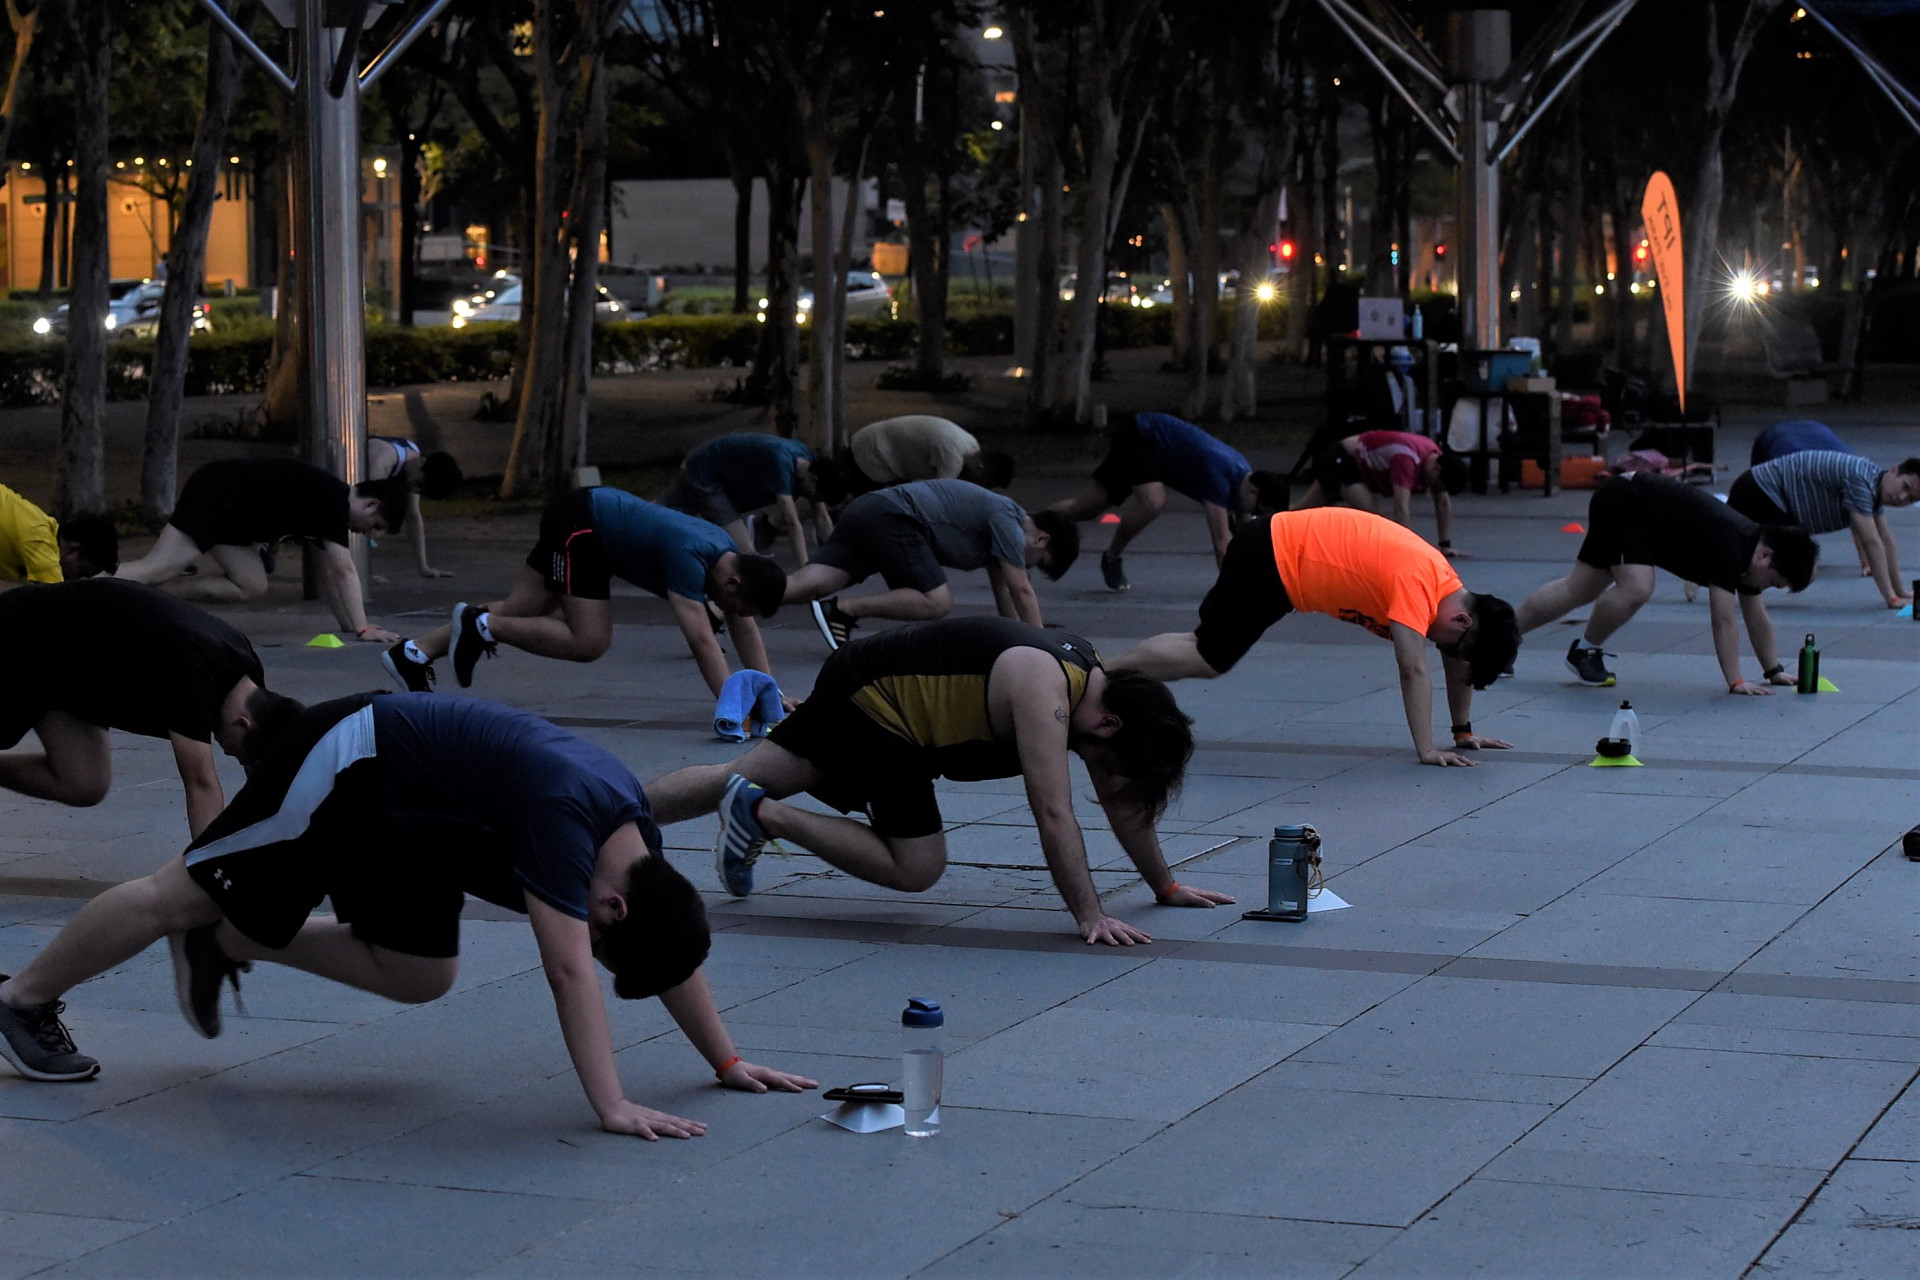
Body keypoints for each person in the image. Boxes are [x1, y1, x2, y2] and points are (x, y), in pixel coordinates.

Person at [0, 693, 816, 1142]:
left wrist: (726, 1060)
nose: (594, 947)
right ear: (611, 906)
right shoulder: (569, 822)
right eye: (607, 944)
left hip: (415, 827)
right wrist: (612, 1105)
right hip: (347, 762)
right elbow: (569, 968)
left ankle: (228, 938)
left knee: (421, 972)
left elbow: (665, 945)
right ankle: (19, 998)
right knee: (178, 890)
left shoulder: (637, 860)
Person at [645, 616, 1231, 945]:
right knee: (917, 866)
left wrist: (1165, 885)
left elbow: (1122, 802)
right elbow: (1053, 812)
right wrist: (1090, 915)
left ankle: (610, 816)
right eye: (1113, 763)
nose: (1107, 778)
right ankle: (761, 812)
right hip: (881, 710)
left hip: (871, 681)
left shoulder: (1097, 689)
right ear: (1109, 725)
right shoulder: (1047, 692)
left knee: (734, 776)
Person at [1109, 507, 1521, 767]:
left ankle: (1100, 670)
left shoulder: (1446, 592)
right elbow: (1412, 668)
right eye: (1450, 644)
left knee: (1206, 651)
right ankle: (1098, 670)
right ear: (1463, 620)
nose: (1441, 647)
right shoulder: (1419, 584)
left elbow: (1456, 657)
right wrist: (1427, 750)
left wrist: (1463, 731)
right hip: (1270, 557)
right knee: (1207, 656)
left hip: (1276, 554)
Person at [383, 487, 786, 701]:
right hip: (583, 529)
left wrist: (770, 692)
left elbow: (745, 628)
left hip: (584, 514)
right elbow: (701, 639)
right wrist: (732, 706)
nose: (733, 615)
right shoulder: (692, 556)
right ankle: (482, 626)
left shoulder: (727, 557)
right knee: (590, 641)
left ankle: (411, 654)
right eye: (736, 607)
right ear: (733, 584)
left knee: (523, 609)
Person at [0, 577, 295, 837]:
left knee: (84, 782)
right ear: (242, 722)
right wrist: (212, 875)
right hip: (20, 636)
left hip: (70, 669)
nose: (226, 751)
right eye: (233, 752)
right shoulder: (192, 679)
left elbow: (259, 777)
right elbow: (201, 784)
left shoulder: (247, 671)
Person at [1515, 472, 1819, 693]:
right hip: (1626, 501)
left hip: (1630, 504)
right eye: (1773, 583)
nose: (1765, 589)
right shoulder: (1733, 546)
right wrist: (1736, 681)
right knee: (1636, 587)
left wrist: (1773, 670)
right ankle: (1585, 652)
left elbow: (1756, 616)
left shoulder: (1753, 555)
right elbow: (1723, 618)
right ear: (1766, 557)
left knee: (1579, 588)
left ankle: (1503, 637)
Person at [115, 457, 407, 644]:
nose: (365, 532)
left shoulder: (327, 501)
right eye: (374, 525)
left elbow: (329, 573)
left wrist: (349, 625)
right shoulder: (334, 501)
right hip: (216, 495)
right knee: (158, 567)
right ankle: (93, 583)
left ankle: (154, 599)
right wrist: (363, 629)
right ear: (371, 504)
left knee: (251, 583)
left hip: (232, 517)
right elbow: (344, 571)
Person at [780, 479, 1078, 649]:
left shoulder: (1003, 532)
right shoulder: (1009, 522)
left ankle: (754, 593)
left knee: (808, 585)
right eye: (1039, 563)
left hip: (871, 509)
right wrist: (1045, 648)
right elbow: (1021, 591)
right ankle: (843, 611)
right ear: (1042, 539)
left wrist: (1019, 642)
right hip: (894, 517)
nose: (1028, 567)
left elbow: (1006, 595)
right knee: (936, 601)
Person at [1046, 412, 1288, 590]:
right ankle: (1112, 556)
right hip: (1140, 435)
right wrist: (1234, 590)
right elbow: (1221, 541)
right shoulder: (1220, 477)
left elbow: (1249, 534)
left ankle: (1032, 523)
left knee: (1084, 508)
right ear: (1253, 492)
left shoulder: (1245, 480)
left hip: (1151, 450)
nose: (1253, 514)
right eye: (1258, 510)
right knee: (1153, 501)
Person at [1728, 451, 1919, 610]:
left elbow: (1886, 540)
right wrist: (1891, 598)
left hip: (1768, 494)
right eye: (1905, 486)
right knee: (1800, 569)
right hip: (1760, 491)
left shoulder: (1872, 484)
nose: (1902, 497)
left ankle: (1739, 579)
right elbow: (1872, 542)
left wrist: (1900, 591)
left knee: (1798, 567)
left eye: (1911, 499)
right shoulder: (1861, 480)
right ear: (1894, 470)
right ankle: (1739, 582)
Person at [657, 432, 844, 567]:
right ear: (814, 480)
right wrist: (806, 570)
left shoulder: (807, 461)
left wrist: (835, 562)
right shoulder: (781, 462)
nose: (813, 499)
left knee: (659, 513)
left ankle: (637, 531)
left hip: (706, 466)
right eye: (816, 495)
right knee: (746, 551)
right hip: (705, 475)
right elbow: (792, 523)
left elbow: (821, 515)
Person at [1292, 430, 1469, 556]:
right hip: (1341, 459)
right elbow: (1401, 508)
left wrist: (1445, 545)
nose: (1431, 487)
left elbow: (1442, 502)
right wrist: (1407, 550)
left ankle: (1278, 519)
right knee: (1370, 512)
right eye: (1436, 484)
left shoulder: (1435, 456)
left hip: (1352, 464)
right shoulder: (1406, 460)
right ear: (1437, 469)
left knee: (1300, 510)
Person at [366, 436, 463, 581]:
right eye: (418, 483)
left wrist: (423, 567)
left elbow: (413, 516)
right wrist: (365, 572)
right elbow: (360, 511)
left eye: (421, 491)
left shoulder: (413, 458)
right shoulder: (385, 459)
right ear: (421, 461)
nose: (415, 489)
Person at [844, 415, 1015, 492]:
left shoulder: (970, 444)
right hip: (873, 455)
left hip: (879, 447)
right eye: (981, 484)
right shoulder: (952, 459)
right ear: (979, 468)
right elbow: (938, 496)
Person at [0, 485, 117, 585]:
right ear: (73, 547)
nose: (77, 579)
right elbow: (56, 598)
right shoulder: (41, 544)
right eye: (81, 571)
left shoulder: (43, 527)